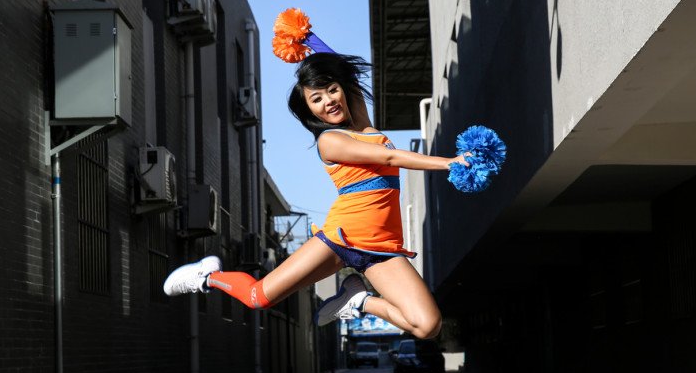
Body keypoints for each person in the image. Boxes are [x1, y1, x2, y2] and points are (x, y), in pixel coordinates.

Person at [163, 51, 468, 340]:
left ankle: (359, 300)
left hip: (382, 247)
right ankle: (208, 276)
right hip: (341, 238)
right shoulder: (330, 141)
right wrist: (448, 163)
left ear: (342, 89)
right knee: (258, 297)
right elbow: (389, 158)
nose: (328, 101)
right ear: (309, 109)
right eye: (316, 98)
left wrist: (306, 39)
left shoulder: (363, 125)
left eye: (332, 90)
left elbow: (343, 69)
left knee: (428, 326)